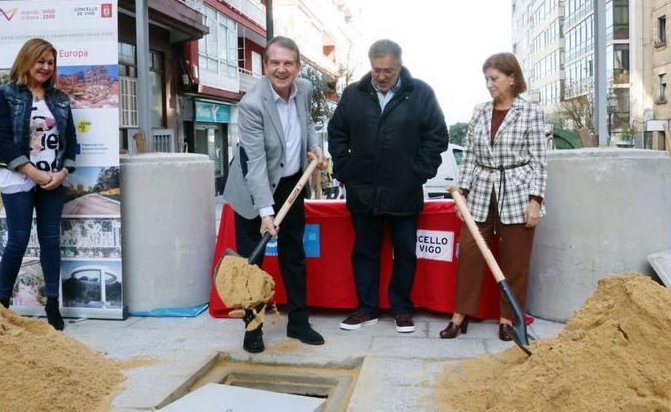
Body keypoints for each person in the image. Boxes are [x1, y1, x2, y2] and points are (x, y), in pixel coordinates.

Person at [328, 39, 448, 333]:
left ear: (399, 66)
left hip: (404, 192)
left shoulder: (420, 93)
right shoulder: (354, 94)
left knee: (405, 252)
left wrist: (418, 172)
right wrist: (345, 169)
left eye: (388, 71)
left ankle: (402, 309)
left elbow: (437, 137)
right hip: (362, 191)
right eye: (376, 70)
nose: (381, 76)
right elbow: (336, 133)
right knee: (364, 252)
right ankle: (365, 309)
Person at [223, 36, 326, 353]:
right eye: (275, 63)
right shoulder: (252, 105)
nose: (282, 69)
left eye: (288, 63)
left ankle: (298, 322)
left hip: (291, 183)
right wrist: (265, 213)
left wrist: (314, 145)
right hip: (253, 188)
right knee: (252, 265)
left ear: (297, 67)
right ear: (265, 66)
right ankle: (252, 327)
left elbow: (306, 123)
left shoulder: (305, 88)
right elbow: (254, 164)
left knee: (293, 255)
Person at [439, 52, 547, 340]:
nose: (489, 84)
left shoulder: (531, 113)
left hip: (518, 191)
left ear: (512, 78)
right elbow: (471, 156)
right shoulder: (479, 111)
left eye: (494, 78)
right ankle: (459, 316)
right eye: (486, 79)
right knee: (470, 256)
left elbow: (539, 160)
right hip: (481, 191)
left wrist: (536, 199)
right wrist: (461, 194)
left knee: (515, 261)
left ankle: (507, 319)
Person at [0, 38, 77, 331]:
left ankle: (52, 303)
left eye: (50, 62)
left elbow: (71, 143)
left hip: (53, 179)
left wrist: (62, 173)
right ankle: (1, 304)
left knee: (51, 241)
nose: (45, 67)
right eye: (40, 61)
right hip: (18, 177)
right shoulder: (6, 95)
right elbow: (1, 140)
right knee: (17, 239)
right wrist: (34, 173)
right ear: (27, 61)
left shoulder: (60, 99)